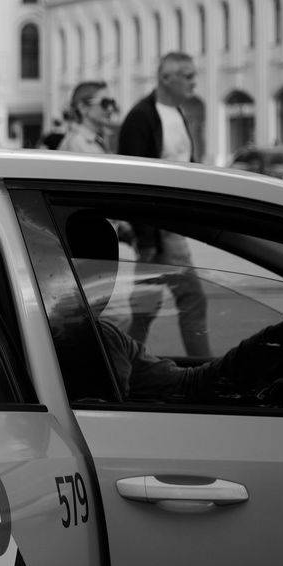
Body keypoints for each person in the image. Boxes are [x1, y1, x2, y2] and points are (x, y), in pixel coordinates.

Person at [63, 211, 283, 402]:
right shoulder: (72, 344)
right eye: (92, 269)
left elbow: (189, 385)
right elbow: (190, 386)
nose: (104, 283)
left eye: (106, 270)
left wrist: (271, 344)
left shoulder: (108, 339)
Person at [116, 52, 210, 357]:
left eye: (194, 74)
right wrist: (147, 237)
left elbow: (187, 167)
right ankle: (203, 370)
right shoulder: (141, 117)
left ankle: (123, 369)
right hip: (158, 231)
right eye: (187, 75)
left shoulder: (179, 114)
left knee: (146, 308)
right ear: (165, 77)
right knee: (190, 299)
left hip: (171, 229)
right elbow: (131, 179)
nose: (193, 81)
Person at [58, 81, 117, 154]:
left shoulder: (100, 138)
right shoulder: (75, 143)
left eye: (112, 102)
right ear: (83, 107)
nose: (110, 108)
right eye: (104, 103)